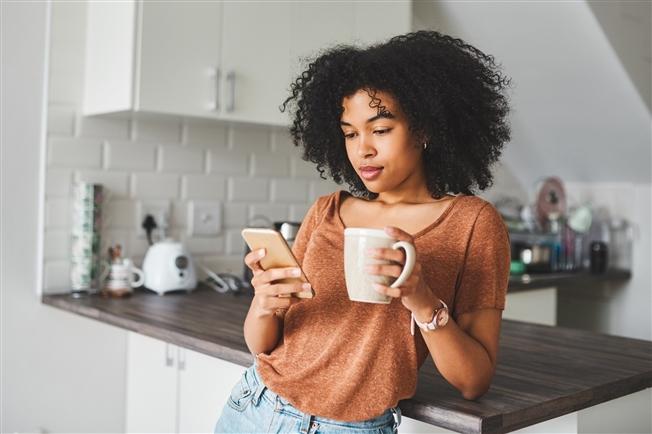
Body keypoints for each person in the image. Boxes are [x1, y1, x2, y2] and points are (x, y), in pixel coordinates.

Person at [214, 30, 513, 434]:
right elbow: (263, 345)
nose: (362, 150)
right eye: (351, 133)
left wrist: (420, 298)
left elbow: (474, 381)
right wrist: (265, 302)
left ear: (424, 129)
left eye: (381, 129)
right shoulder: (326, 211)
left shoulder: (472, 223)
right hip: (255, 406)